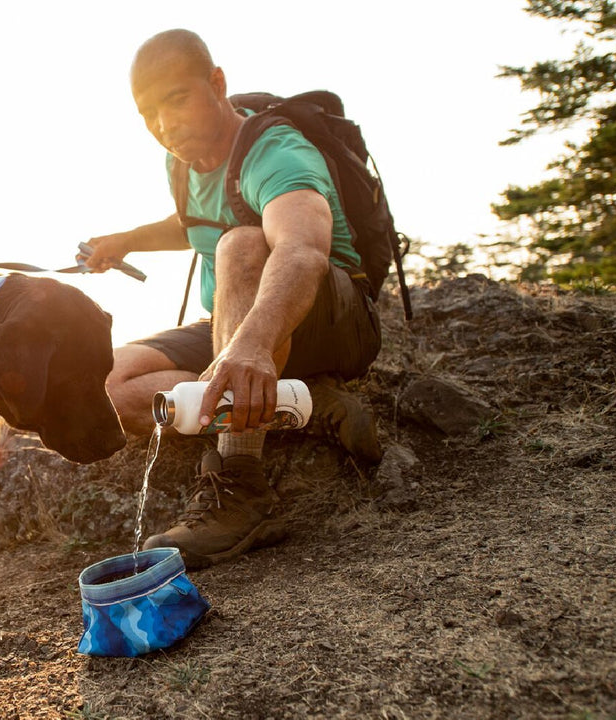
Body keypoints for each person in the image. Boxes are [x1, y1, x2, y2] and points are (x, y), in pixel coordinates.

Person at [83, 29, 383, 570]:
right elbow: (190, 221)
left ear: (217, 83)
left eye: (176, 98)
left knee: (243, 242)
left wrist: (249, 345)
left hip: (331, 319)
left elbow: (301, 249)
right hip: (240, 324)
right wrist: (123, 242)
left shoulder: (276, 151)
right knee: (109, 380)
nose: (164, 123)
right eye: (149, 113)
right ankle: (308, 405)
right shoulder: (182, 163)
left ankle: (241, 485)